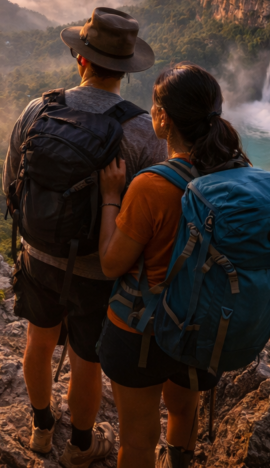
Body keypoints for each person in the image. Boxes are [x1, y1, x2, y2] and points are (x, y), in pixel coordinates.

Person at [3, 8, 167, 466]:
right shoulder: (140, 130)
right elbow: (149, 211)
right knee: (84, 361)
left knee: (38, 340)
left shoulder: (39, 108)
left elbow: (12, 180)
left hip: (38, 255)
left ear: (81, 59)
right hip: (98, 268)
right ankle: (79, 445)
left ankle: (39, 429)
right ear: (128, 70)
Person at [97, 63, 250, 468]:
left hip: (144, 331)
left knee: (137, 438)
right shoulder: (239, 175)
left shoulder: (151, 186)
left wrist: (112, 195)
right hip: (202, 328)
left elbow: (112, 264)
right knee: (183, 410)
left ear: (162, 118)